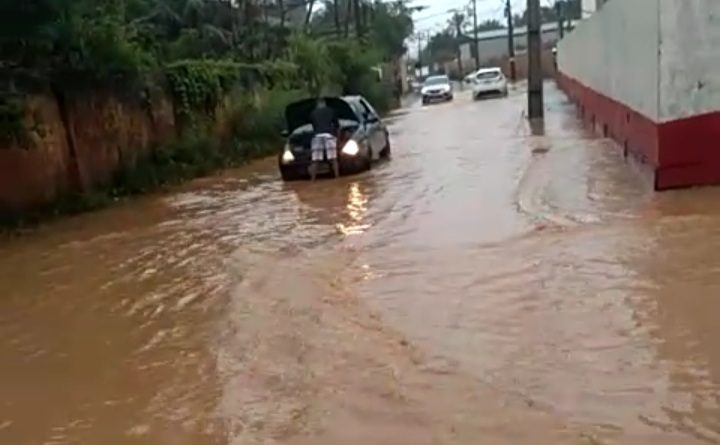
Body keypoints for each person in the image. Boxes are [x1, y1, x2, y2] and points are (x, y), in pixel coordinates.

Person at [309, 98, 340, 180]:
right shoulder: (331, 111)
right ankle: (337, 178)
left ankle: (313, 179)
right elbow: (336, 125)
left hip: (317, 136)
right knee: (333, 158)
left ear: (317, 104)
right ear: (325, 103)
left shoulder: (313, 113)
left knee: (315, 159)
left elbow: (314, 126)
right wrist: (336, 135)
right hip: (329, 135)